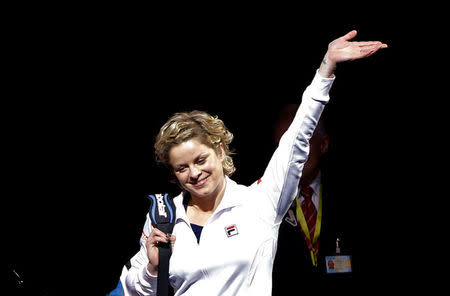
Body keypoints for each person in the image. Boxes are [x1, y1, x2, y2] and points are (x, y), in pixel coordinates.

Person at [117, 30, 387, 296]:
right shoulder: (163, 217)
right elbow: (133, 291)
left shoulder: (259, 202)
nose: (194, 173)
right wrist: (153, 269)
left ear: (220, 151)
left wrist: (325, 70)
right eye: (181, 168)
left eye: (200, 160)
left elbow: (296, 140)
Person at [271, 106, 353, 295]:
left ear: (323, 144)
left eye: (300, 142)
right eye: (281, 146)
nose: (290, 155)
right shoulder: (265, 203)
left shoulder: (346, 199)